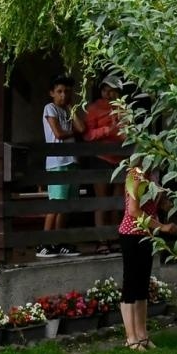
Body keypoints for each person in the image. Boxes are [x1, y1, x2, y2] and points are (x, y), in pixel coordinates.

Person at [119, 165, 177, 350]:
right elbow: (133, 210)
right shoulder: (135, 175)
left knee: (142, 286)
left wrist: (165, 202)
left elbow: (151, 203)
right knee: (131, 285)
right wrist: (162, 226)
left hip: (147, 235)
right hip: (131, 234)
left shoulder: (153, 175)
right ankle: (131, 338)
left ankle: (142, 335)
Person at [40, 74, 85, 257]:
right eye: (59, 91)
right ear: (51, 93)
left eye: (66, 91)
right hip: (57, 162)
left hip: (72, 160)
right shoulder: (49, 108)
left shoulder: (68, 110)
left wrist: (71, 108)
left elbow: (81, 128)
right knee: (56, 203)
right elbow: (58, 133)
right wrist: (72, 132)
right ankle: (44, 243)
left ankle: (58, 241)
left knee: (67, 205)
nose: (63, 95)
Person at [84, 75, 126, 246]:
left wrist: (121, 130)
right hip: (101, 158)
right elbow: (88, 135)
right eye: (105, 90)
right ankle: (102, 241)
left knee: (117, 201)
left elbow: (128, 133)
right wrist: (107, 130)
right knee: (102, 201)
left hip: (121, 159)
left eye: (113, 91)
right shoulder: (93, 109)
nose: (109, 94)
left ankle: (116, 238)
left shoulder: (123, 109)